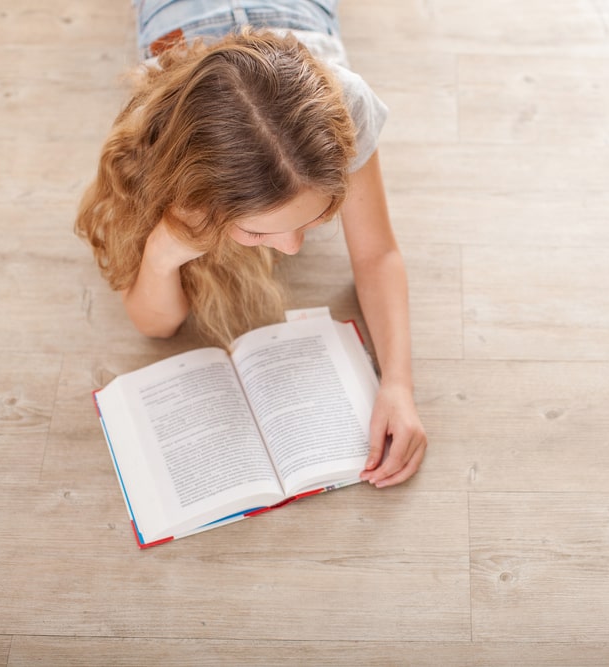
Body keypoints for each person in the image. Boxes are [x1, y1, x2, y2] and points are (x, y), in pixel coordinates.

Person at [75, 0, 426, 489]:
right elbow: (154, 324)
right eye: (259, 233)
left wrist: (398, 385)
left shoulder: (345, 105)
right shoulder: (153, 150)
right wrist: (164, 247)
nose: (292, 248)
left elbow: (378, 254)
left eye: (317, 215)